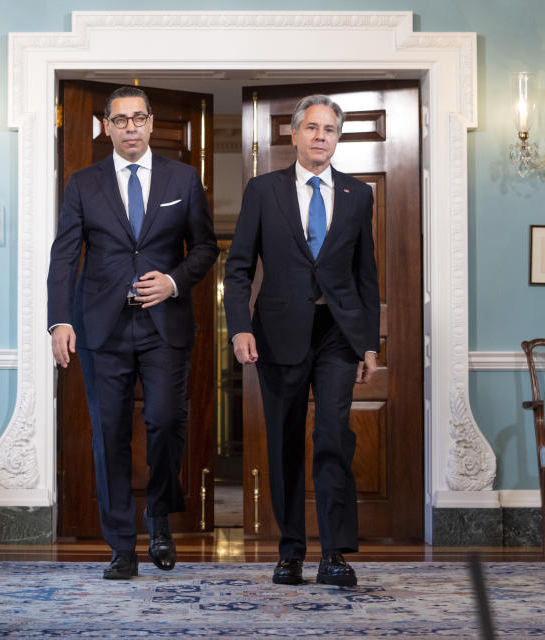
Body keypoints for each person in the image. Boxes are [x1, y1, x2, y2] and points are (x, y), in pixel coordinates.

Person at [47, 86, 218, 580]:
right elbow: (64, 255)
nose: (130, 128)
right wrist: (60, 321)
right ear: (106, 127)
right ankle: (121, 544)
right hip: (102, 327)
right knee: (110, 434)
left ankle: (158, 516)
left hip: (165, 324)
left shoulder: (183, 178)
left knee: (165, 422)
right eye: (119, 120)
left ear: (151, 123)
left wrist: (173, 281)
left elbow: (205, 248)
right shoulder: (83, 183)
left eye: (138, 118)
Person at [223, 94, 379, 587]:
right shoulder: (263, 190)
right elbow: (239, 265)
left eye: (329, 129)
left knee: (333, 436)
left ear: (337, 137)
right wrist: (240, 327)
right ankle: (290, 551)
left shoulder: (359, 194)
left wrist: (368, 343)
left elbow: (366, 276)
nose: (320, 137)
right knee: (286, 441)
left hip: (337, 333)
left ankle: (335, 554)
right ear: (293, 134)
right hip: (278, 333)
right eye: (311, 128)